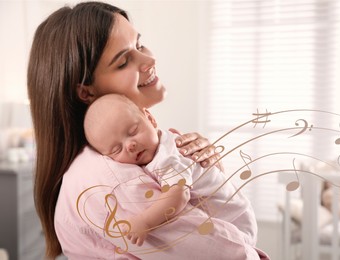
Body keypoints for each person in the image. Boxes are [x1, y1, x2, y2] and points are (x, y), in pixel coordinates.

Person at [27, 1, 269, 259]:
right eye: (123, 62)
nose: (150, 59)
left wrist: (207, 175)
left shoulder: (135, 156)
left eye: (139, 44)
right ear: (86, 91)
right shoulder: (115, 182)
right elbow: (228, 254)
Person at [83, 93, 258, 247]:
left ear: (150, 119)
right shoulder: (159, 142)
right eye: (116, 149)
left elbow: (178, 194)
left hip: (236, 220)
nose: (130, 145)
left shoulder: (165, 158)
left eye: (133, 131)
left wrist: (144, 221)